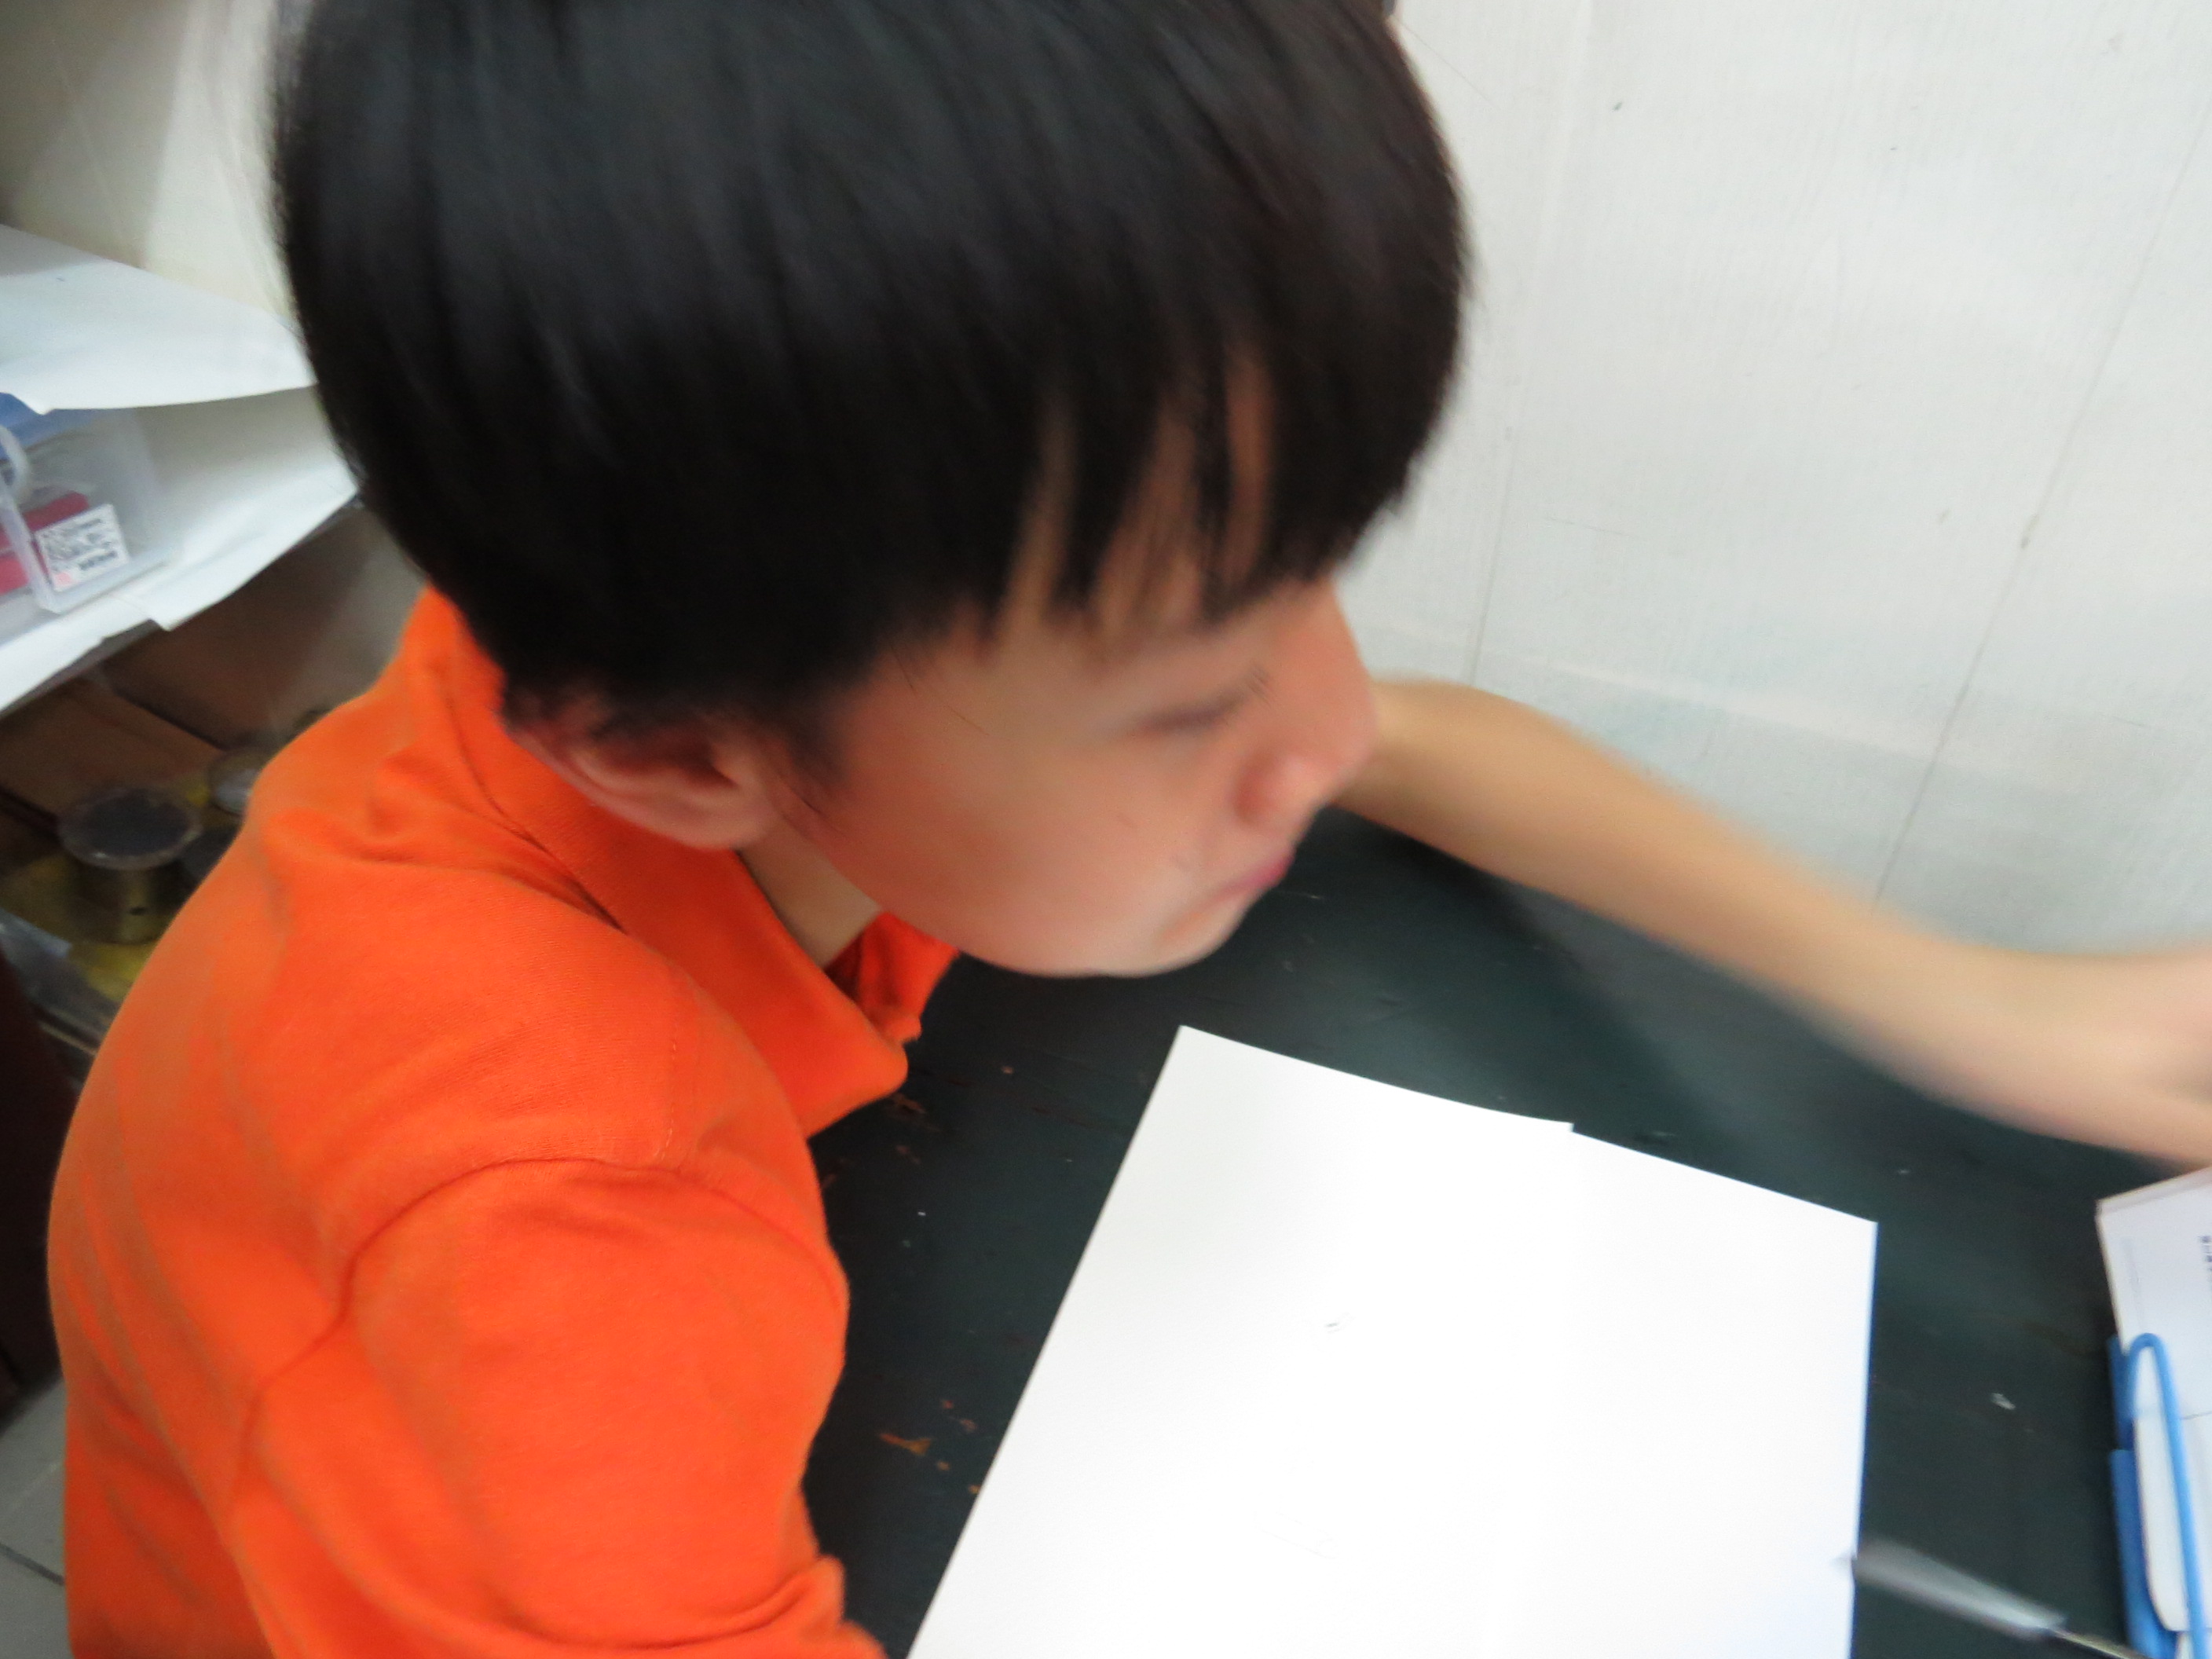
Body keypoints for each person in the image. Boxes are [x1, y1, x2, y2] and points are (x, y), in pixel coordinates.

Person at [45, 0, 2212, 1652]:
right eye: (1191, 698)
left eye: (1312, 581)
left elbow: (1404, 745)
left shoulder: (690, 610)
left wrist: (1971, 1001)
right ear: (684, 755)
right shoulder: (554, 1242)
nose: (1327, 717)